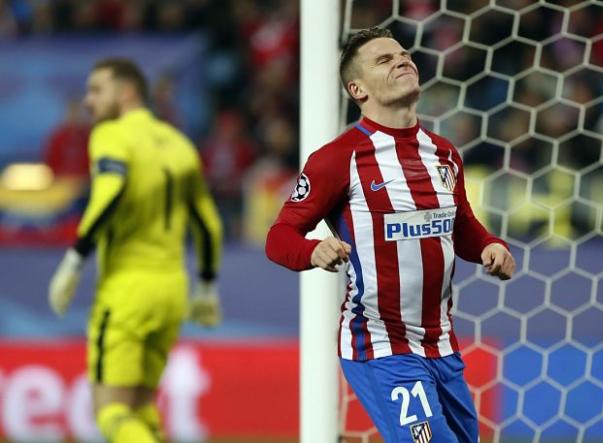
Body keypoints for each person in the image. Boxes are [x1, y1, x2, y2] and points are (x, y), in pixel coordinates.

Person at [265, 27, 515, 443]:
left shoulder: (444, 153)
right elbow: (280, 236)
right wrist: (313, 250)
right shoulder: (337, 159)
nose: (402, 60)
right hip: (380, 345)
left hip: (441, 344)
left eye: (404, 54)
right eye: (384, 59)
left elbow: (462, 226)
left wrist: (491, 245)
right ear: (357, 89)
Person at [48, 58, 223, 443]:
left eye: (97, 90)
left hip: (127, 288)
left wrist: (74, 260)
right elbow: (207, 222)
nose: (89, 100)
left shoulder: (111, 134)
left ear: (126, 92)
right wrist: (207, 286)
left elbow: (111, 193)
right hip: (172, 289)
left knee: (110, 411)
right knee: (142, 406)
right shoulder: (179, 143)